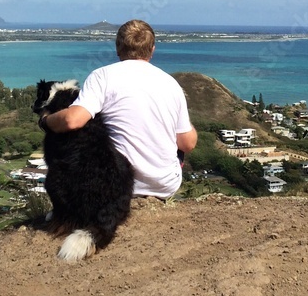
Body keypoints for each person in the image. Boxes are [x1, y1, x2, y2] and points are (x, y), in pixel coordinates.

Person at [40, 19, 197, 198]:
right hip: (165, 186)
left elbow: (72, 120)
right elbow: (188, 144)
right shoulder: (171, 84)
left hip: (115, 183)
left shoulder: (102, 76)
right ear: (152, 50)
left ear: (117, 47)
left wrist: (45, 120)